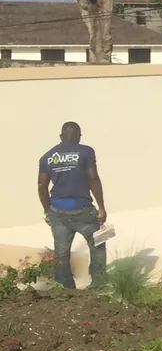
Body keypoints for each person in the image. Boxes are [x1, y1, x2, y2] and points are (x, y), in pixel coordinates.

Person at [37, 122, 108, 290]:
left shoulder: (47, 156)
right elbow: (93, 178)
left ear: (61, 137)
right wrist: (101, 207)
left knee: (61, 252)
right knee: (98, 243)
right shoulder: (86, 151)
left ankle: (65, 288)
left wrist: (47, 209)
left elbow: (41, 185)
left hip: (58, 211)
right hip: (83, 209)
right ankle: (98, 284)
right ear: (78, 136)